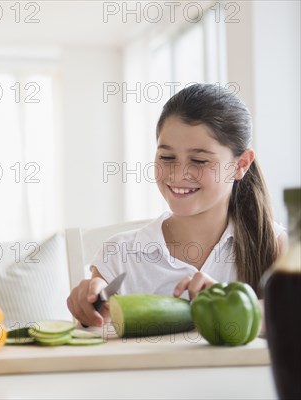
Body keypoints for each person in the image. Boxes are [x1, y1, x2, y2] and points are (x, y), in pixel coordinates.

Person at [67, 83, 287, 328]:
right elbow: (95, 340)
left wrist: (237, 306)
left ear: (240, 164)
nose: (179, 173)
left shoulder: (276, 247)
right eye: (167, 157)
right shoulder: (119, 256)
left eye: (199, 160)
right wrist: (90, 314)